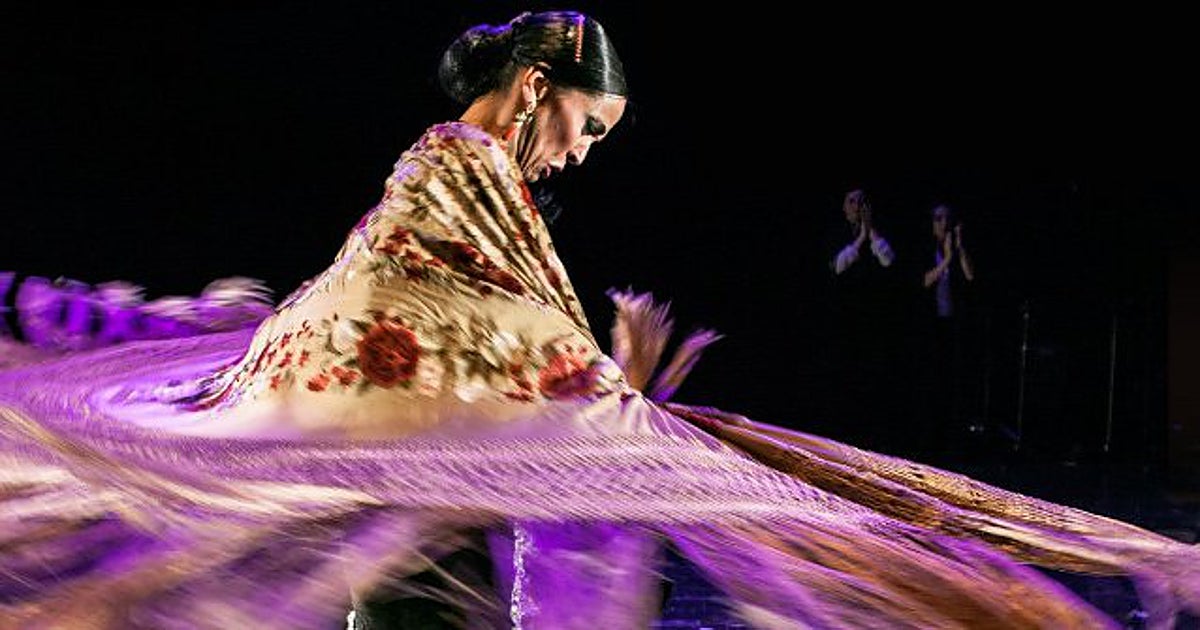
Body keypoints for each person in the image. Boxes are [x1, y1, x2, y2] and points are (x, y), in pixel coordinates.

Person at [2, 10, 1198, 630]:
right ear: (536, 90)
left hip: (423, 487)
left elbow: (465, 315)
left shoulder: (454, 170)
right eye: (588, 124)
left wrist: (581, 376)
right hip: (409, 487)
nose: (584, 150)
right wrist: (598, 376)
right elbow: (455, 308)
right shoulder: (460, 164)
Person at [822, 188, 907, 450]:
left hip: (874, 318)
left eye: (861, 201)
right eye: (852, 201)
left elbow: (889, 262)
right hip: (844, 317)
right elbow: (837, 266)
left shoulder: (878, 233)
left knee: (873, 376)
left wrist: (871, 234)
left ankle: (872, 437)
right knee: (845, 376)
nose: (857, 206)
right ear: (845, 207)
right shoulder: (837, 234)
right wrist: (860, 239)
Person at [914, 203, 983, 459]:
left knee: (955, 383)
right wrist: (946, 261)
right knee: (932, 383)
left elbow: (970, 276)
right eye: (939, 219)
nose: (943, 224)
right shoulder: (927, 250)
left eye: (947, 219)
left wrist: (959, 248)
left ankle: (953, 445)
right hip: (931, 326)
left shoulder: (957, 249)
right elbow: (924, 281)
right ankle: (928, 442)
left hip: (953, 324)